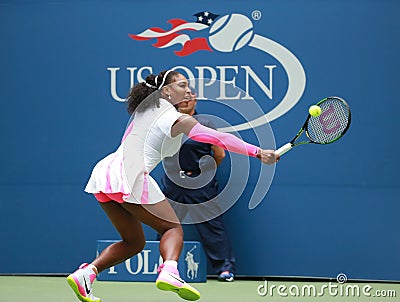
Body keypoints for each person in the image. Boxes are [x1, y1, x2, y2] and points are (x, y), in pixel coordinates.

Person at [66, 70, 278, 302]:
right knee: (172, 229)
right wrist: (257, 152)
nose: (187, 90)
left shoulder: (144, 111)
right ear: (166, 91)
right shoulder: (176, 118)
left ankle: (87, 274)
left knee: (134, 242)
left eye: (188, 86)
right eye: (181, 85)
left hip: (104, 173)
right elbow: (216, 139)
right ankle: (170, 271)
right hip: (130, 174)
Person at [161, 87, 236, 282]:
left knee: (212, 226)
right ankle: (162, 267)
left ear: (195, 101)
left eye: (190, 96)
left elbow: (219, 154)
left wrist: (203, 174)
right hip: (172, 184)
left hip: (200, 185)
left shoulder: (206, 124)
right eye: (182, 96)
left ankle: (225, 269)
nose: (186, 99)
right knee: (166, 226)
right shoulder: (166, 123)